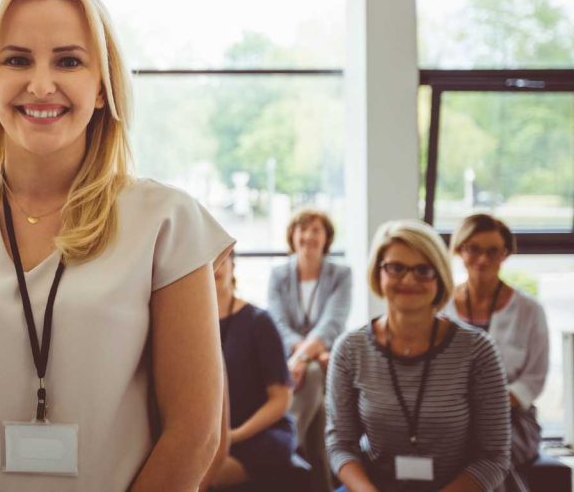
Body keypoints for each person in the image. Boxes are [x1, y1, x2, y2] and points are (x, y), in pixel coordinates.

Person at [0, 0, 234, 491]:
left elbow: (194, 433)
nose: (41, 84)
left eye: (68, 61)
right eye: (17, 59)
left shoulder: (167, 223)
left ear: (101, 88)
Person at [326, 219, 514, 492]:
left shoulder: (477, 350)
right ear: (378, 273)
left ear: (439, 278)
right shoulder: (350, 349)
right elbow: (340, 444)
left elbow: (494, 456)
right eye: (396, 268)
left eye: (423, 270)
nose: (409, 279)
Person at [444, 214, 548, 469]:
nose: (483, 259)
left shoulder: (529, 310)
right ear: (459, 250)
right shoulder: (440, 306)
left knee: (488, 455)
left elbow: (534, 380)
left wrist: (486, 404)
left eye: (493, 251)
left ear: (505, 254)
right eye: (474, 249)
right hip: (449, 416)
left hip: (512, 418)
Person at [266, 208, 349, 491]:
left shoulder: (341, 274)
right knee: (319, 420)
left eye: (316, 230)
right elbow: (276, 322)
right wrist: (302, 356)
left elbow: (332, 324)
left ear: (327, 238)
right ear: (293, 236)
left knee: (312, 371)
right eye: (303, 229)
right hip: (289, 363)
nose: (309, 236)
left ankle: (284, 446)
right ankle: (321, 484)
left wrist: (302, 357)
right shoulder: (278, 275)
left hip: (323, 363)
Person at [210, 249, 295, 488]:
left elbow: (281, 399)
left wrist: (233, 436)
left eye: (221, 259)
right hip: (210, 437)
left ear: (233, 265)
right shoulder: (186, 324)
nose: (214, 266)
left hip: (259, 435)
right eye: (207, 261)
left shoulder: (259, 321)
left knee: (207, 477)